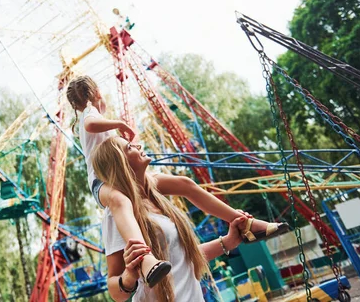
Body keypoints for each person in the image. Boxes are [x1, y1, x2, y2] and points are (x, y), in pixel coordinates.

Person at [65, 76, 287, 286]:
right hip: (103, 183)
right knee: (120, 201)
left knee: (184, 184)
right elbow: (90, 125)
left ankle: (244, 222)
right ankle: (146, 259)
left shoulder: (98, 118)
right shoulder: (90, 112)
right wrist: (120, 125)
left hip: (124, 175)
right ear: (95, 92)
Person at [93, 136, 247, 302]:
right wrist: (129, 276)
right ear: (121, 164)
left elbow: (182, 258)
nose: (138, 145)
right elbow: (115, 292)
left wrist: (228, 242)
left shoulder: (157, 200)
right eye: (130, 147)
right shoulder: (116, 216)